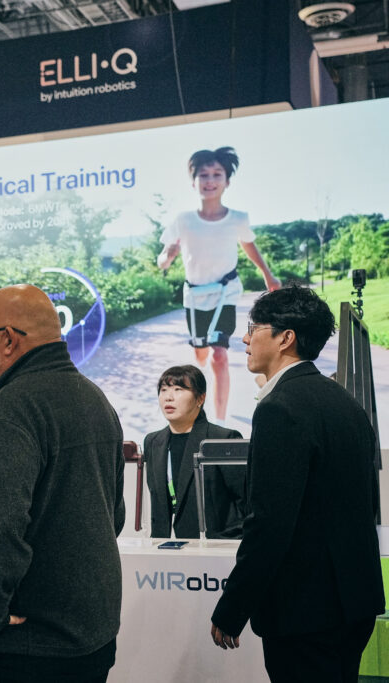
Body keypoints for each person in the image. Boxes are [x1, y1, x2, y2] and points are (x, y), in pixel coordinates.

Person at [0, 284, 126, 683]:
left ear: (8, 339)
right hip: (88, 637)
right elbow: (114, 515)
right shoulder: (95, 399)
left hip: (25, 649)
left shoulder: (14, 407)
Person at [210, 286, 384, 681]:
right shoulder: (345, 402)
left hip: (306, 611)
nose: (245, 339)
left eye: (253, 328)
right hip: (352, 601)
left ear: (285, 337)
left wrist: (233, 606)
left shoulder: (280, 407)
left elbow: (269, 522)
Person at [157, 146, 280, 422]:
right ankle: (200, 358)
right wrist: (169, 256)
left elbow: (249, 246)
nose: (210, 180)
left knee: (219, 355)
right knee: (201, 354)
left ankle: (219, 421)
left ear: (227, 181)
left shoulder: (237, 218)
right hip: (194, 296)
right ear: (194, 182)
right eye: (203, 175)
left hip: (226, 292)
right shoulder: (183, 220)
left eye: (217, 174)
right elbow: (162, 261)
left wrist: (268, 275)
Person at [144, 365, 246, 539]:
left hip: (217, 546)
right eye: (163, 390)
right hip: (165, 547)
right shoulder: (153, 442)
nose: (168, 397)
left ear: (200, 398)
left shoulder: (222, 439)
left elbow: (246, 500)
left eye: (178, 389)